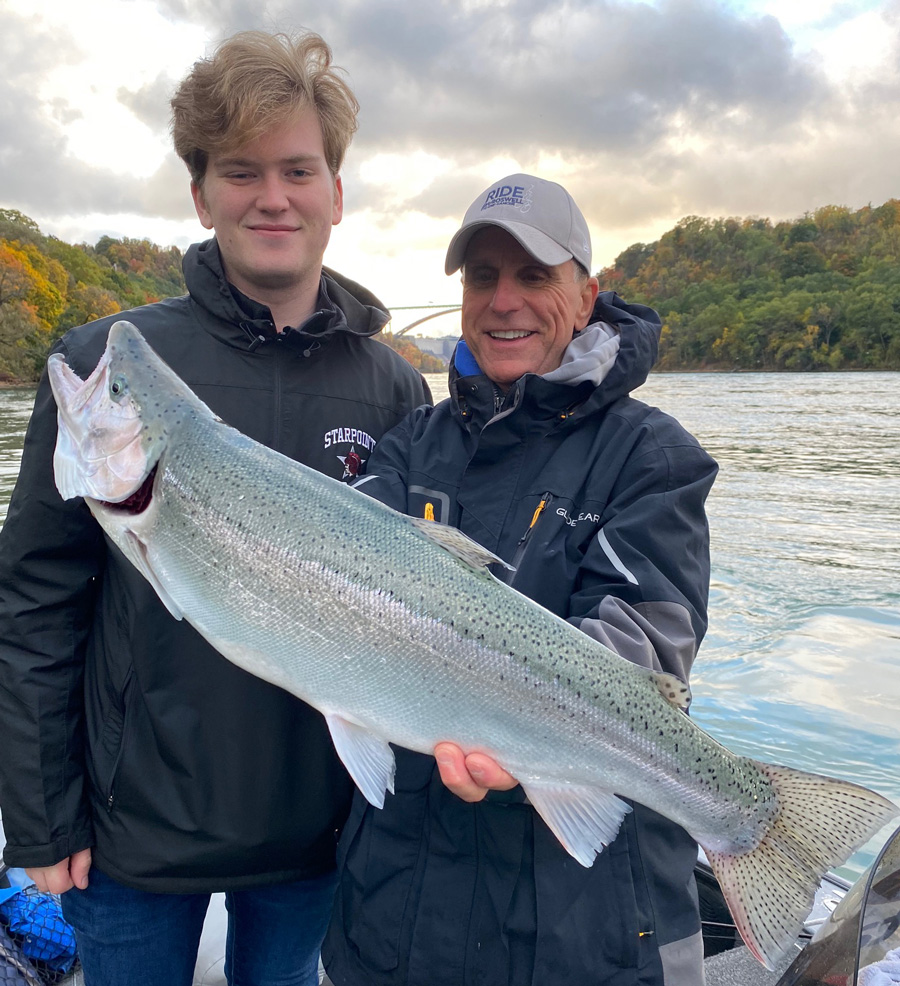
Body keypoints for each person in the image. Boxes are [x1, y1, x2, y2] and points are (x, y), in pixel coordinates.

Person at [0, 30, 430, 986]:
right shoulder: (110, 368)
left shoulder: (397, 392)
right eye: (241, 172)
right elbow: (33, 605)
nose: (272, 196)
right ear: (201, 194)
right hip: (134, 836)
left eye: (297, 170)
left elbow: (424, 616)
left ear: (335, 194)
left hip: (320, 828)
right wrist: (41, 815)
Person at [321, 174, 719, 986]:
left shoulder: (654, 457)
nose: (504, 301)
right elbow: (345, 602)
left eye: (534, 276)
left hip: (589, 928)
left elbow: (645, 634)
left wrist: (527, 730)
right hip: (399, 917)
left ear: (586, 295)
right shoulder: (405, 449)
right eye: (482, 277)